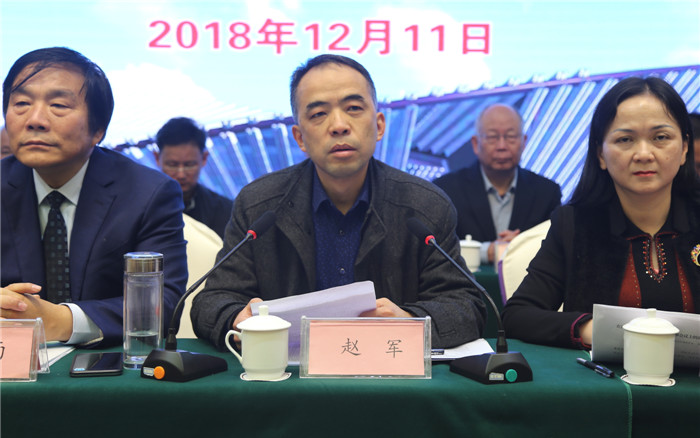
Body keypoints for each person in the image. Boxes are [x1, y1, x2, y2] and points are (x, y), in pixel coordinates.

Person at [192, 54, 486, 351]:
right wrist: (236, 318)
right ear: (300, 138)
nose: (339, 125)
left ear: (379, 125)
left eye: (354, 108)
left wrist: (410, 321)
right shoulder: (259, 205)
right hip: (286, 374)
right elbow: (212, 301)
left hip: (389, 370)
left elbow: (466, 305)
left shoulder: (424, 206)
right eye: (319, 114)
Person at [1, 47, 187, 347]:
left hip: (106, 362)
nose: (35, 120)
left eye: (58, 105)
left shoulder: (148, 193)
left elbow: (164, 302)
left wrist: (61, 321)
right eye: (21, 103)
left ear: (98, 129)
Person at [502, 77, 700, 349]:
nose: (644, 154)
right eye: (625, 139)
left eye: (660, 138)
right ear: (601, 154)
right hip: (605, 376)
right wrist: (590, 329)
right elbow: (517, 316)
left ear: (685, 148)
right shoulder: (575, 224)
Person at [434, 104, 561, 264]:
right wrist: (485, 252)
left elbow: (557, 249)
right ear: (475, 144)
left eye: (511, 137)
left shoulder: (547, 192)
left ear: (523, 142)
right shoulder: (446, 190)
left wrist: (522, 247)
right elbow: (436, 248)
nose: (502, 146)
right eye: (493, 137)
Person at [154, 117, 233, 239]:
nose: (181, 175)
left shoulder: (227, 212)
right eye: (172, 165)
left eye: (189, 165)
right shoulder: (140, 208)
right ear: (157, 158)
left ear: (204, 158)